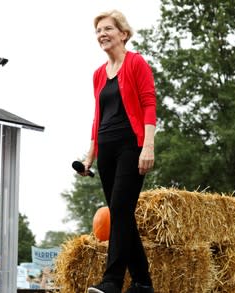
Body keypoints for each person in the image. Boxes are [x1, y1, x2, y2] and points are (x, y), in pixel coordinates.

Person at [79, 9, 156, 293]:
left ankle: (112, 281)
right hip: (107, 148)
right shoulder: (99, 74)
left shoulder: (136, 63)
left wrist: (148, 146)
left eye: (108, 28)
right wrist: (90, 155)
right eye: (98, 30)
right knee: (121, 213)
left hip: (131, 145)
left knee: (121, 211)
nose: (102, 34)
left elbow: (149, 104)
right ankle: (143, 282)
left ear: (123, 33)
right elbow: (98, 115)